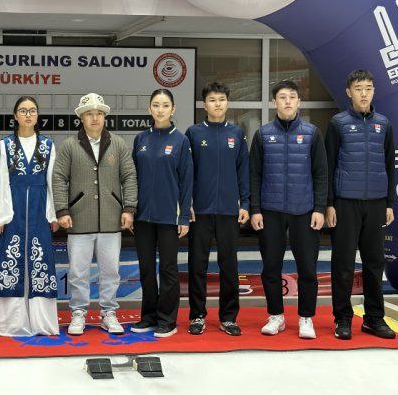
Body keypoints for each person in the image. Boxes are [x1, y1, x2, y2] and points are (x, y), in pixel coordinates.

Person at [52, 93, 137, 336]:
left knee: (110, 271)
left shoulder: (118, 144)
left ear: (105, 117)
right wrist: (62, 210)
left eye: (99, 113)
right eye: (89, 113)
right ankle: (78, 312)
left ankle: (108, 312)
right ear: (81, 117)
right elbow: (59, 178)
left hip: (111, 219)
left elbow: (129, 176)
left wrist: (129, 208)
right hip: (79, 219)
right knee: (78, 272)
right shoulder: (69, 145)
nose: (95, 118)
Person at [250, 80, 327, 339]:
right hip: (270, 211)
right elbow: (254, 175)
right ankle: (276, 316)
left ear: (299, 102)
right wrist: (255, 209)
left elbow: (321, 174)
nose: (287, 101)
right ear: (274, 102)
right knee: (271, 267)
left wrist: (319, 208)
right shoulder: (262, 134)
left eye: (292, 97)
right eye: (282, 97)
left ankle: (306, 318)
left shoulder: (312, 133)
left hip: (304, 210)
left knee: (307, 268)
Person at [326, 70, 396, 340]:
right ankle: (343, 318)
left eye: (368, 88)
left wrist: (389, 203)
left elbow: (389, 165)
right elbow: (329, 165)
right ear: (349, 92)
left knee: (374, 262)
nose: (364, 93)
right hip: (345, 203)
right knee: (343, 263)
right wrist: (329, 204)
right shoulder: (338, 123)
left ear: (373, 91)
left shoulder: (384, 124)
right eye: (358, 88)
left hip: (376, 204)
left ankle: (374, 318)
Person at [0, 96, 59, 336]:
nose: (28, 115)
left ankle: (41, 322)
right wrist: (0, 216)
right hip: (13, 207)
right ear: (15, 116)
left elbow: (52, 181)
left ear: (37, 116)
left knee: (40, 258)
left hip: (39, 207)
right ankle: (9, 323)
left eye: (32, 110)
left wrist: (53, 214)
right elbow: (1, 180)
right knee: (10, 257)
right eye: (23, 110)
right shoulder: (5, 145)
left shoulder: (48, 145)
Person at [185, 82, 250, 336]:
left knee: (229, 266)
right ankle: (197, 315)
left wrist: (245, 203)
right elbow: (187, 173)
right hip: (199, 211)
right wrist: (188, 203)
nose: (217, 104)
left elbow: (243, 171)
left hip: (228, 211)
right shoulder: (193, 133)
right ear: (205, 104)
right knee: (197, 265)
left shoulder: (237, 133)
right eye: (212, 100)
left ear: (227, 102)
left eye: (221, 99)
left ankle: (229, 317)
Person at [131, 89, 192, 338]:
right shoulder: (140, 139)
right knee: (146, 268)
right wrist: (131, 210)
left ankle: (167, 320)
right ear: (149, 108)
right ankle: (148, 317)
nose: (160, 109)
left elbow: (187, 181)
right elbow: (132, 178)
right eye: (156, 105)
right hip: (143, 217)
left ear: (173, 109)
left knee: (168, 269)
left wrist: (184, 217)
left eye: (165, 105)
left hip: (169, 217)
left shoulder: (180, 141)